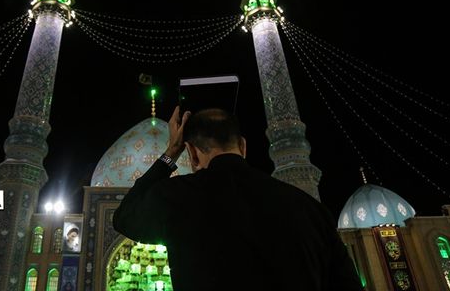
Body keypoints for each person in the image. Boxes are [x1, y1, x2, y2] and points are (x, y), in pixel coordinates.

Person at [113, 106, 362, 290]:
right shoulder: (311, 209)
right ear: (243, 146)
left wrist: (170, 153)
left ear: (191, 154)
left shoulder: (177, 198)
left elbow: (124, 217)